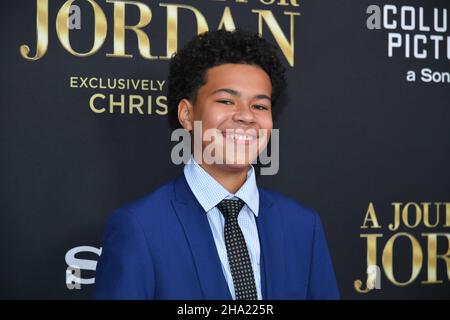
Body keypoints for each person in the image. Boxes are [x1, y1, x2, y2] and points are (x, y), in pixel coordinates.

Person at [95, 29, 339, 300]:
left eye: (260, 106)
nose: (246, 116)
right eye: (226, 101)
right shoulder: (140, 228)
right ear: (187, 114)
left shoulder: (303, 226)